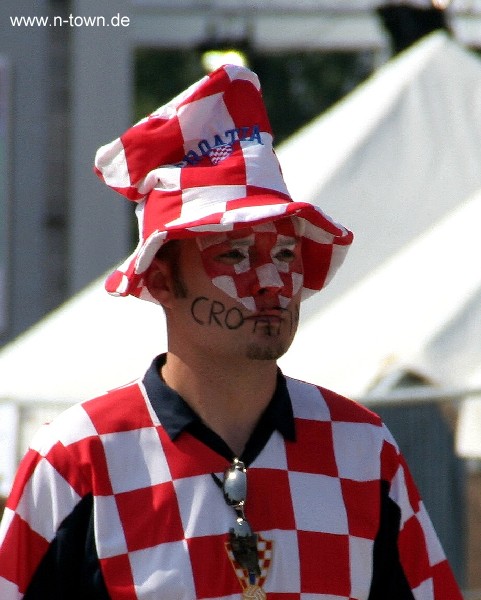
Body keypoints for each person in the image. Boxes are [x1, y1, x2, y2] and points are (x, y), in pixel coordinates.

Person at [0, 64, 462, 599]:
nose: (273, 283)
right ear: (163, 278)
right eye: (236, 254)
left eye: (286, 252)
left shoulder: (362, 450)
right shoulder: (79, 459)